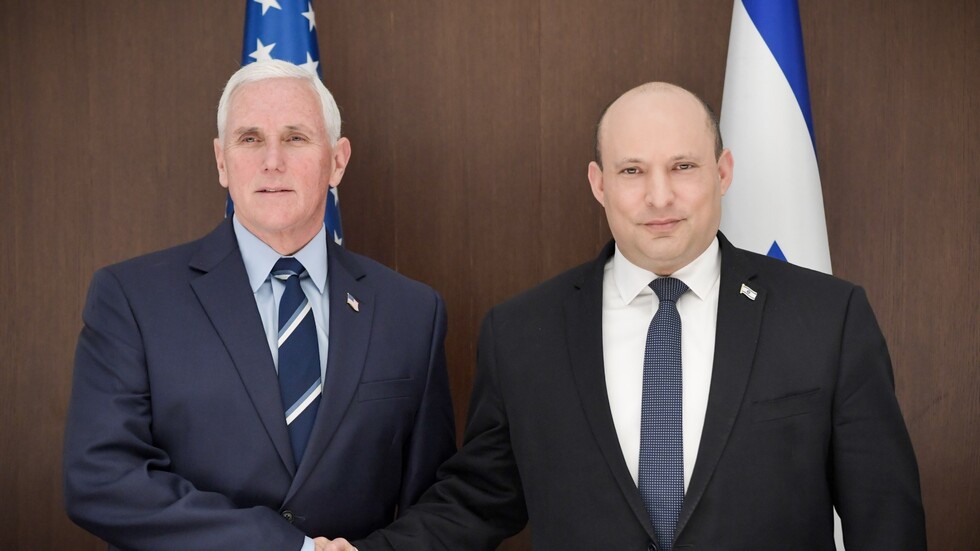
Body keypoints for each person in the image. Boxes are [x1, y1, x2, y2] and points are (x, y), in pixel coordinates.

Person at [325, 82, 926, 550]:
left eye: (683, 167)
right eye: (632, 171)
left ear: (723, 172)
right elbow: (478, 499)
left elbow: (886, 519)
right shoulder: (522, 334)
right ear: (599, 184)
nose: (659, 196)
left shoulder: (828, 319)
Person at [63, 60, 456, 551]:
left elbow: (434, 506)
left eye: (295, 138)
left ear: (338, 161)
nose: (272, 161)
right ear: (221, 161)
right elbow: (101, 478)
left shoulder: (412, 312)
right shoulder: (132, 298)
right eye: (250, 139)